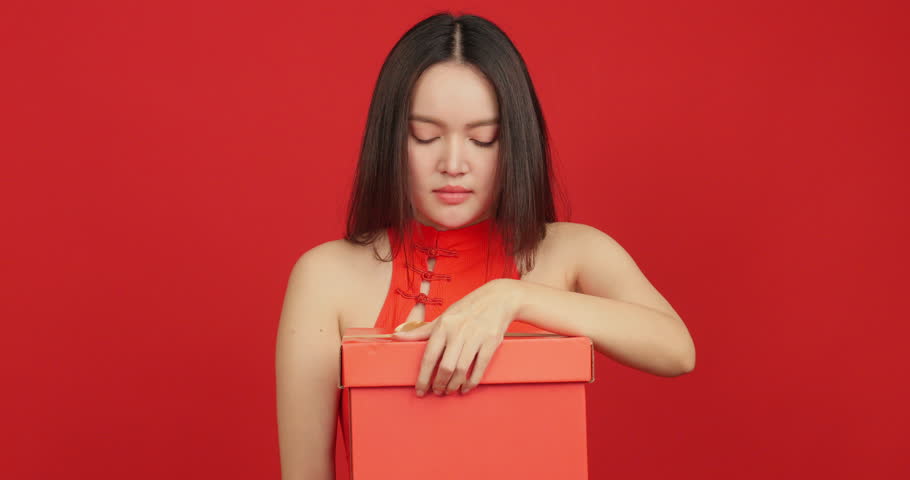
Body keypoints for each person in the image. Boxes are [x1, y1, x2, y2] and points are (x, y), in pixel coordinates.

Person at [275, 11, 695, 480]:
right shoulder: (325, 276)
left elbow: (676, 349)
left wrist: (513, 297)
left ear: (514, 142)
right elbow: (305, 472)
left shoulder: (573, 253)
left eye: (482, 138)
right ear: (390, 138)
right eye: (425, 136)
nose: (454, 163)